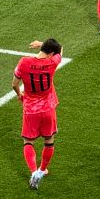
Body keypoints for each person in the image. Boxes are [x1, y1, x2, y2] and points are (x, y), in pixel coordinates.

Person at [12, 39, 65, 190]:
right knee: (49, 140)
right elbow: (60, 50)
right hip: (48, 108)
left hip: (30, 109)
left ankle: (33, 171)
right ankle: (42, 170)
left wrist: (20, 94)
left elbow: (14, 84)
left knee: (28, 142)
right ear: (51, 53)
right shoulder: (52, 63)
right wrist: (43, 44)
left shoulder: (24, 62)